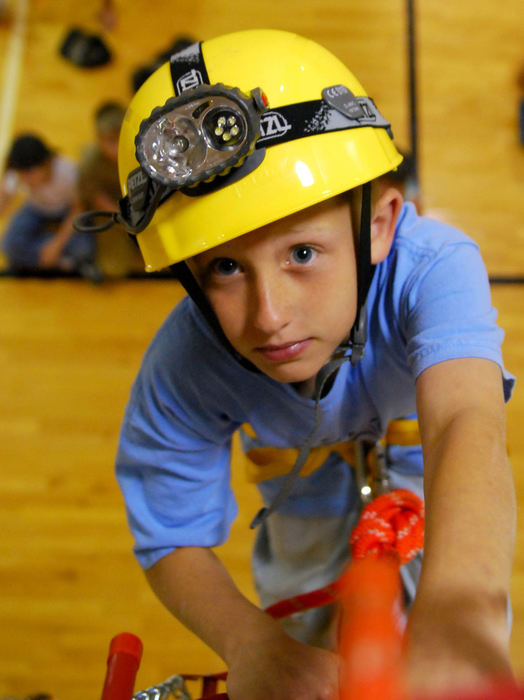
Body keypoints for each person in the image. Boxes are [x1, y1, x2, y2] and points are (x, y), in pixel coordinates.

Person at [106, 30, 516, 699]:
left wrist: (461, 608)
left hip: (430, 483)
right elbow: (168, 535)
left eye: (301, 254)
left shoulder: (435, 266)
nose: (269, 316)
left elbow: (464, 422)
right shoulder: (186, 360)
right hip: (304, 507)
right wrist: (251, 643)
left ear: (380, 226)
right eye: (226, 268)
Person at [0, 133, 99, 279]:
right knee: (9, 245)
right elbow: (3, 199)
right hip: (36, 209)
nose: (25, 180)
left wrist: (56, 244)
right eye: (22, 175)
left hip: (66, 211)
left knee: (85, 249)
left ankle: (42, 255)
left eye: (30, 174)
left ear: (46, 163)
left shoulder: (68, 173)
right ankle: (62, 261)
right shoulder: (18, 172)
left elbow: (78, 208)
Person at [77, 101, 142, 277]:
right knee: (113, 268)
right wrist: (125, 222)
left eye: (119, 139)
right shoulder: (91, 164)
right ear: (99, 140)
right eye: (109, 141)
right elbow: (97, 198)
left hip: (144, 207)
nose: (115, 147)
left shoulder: (143, 151)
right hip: (114, 215)